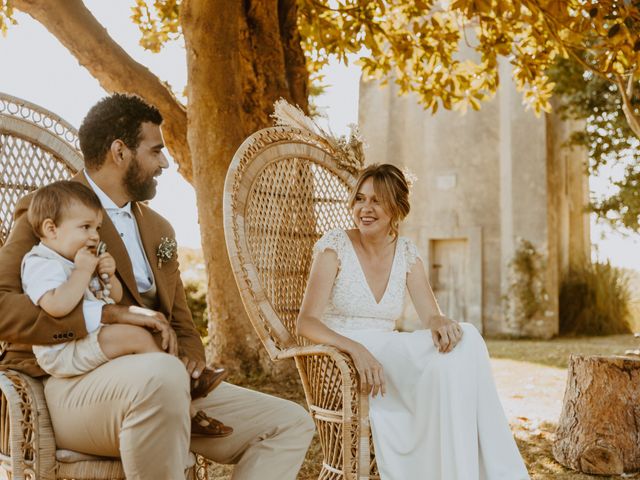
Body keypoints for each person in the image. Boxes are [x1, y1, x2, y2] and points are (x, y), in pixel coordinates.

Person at [0, 93, 314, 479]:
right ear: (120, 151)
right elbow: (3, 308)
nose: (165, 162)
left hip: (166, 384)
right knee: (160, 376)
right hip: (66, 387)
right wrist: (109, 313)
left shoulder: (159, 228)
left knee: (288, 422)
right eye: (156, 150)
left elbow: (180, 319)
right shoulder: (49, 211)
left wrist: (192, 361)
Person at [296, 163, 529, 480]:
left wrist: (440, 321)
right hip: (347, 358)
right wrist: (357, 350)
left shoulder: (406, 251)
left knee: (468, 339)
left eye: (377, 201)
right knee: (452, 363)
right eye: (360, 199)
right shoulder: (335, 245)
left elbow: (430, 313)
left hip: (391, 352)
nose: (365, 209)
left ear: (396, 208)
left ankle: (478, 471)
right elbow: (306, 323)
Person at [21, 180, 231, 437]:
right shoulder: (41, 263)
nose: (94, 236)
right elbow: (56, 305)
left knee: (151, 334)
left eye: (97, 228)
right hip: (64, 350)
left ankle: (178, 385)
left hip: (91, 339)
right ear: (51, 229)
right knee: (136, 336)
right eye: (85, 227)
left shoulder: (79, 258)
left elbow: (115, 299)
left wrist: (109, 277)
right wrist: (83, 271)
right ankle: (185, 403)